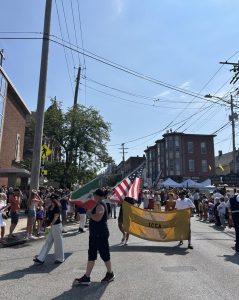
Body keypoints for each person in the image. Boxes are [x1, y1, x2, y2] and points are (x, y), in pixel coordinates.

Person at [73, 189, 115, 286]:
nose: (93, 196)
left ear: (98, 196)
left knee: (104, 255)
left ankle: (110, 273)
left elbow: (97, 218)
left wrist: (89, 214)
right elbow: (91, 213)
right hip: (94, 234)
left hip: (101, 234)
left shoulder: (101, 205)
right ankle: (87, 277)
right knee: (91, 255)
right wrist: (89, 211)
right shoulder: (96, 204)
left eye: (94, 195)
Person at [33, 194, 64, 264]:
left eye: (51, 199)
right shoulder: (51, 205)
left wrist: (51, 225)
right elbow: (44, 205)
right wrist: (38, 195)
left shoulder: (58, 206)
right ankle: (40, 258)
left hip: (56, 226)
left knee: (58, 242)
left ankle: (60, 258)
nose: (50, 200)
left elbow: (56, 217)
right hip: (50, 226)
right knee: (48, 242)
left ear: (54, 199)